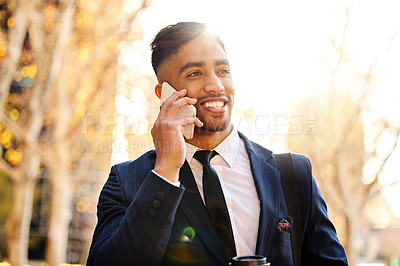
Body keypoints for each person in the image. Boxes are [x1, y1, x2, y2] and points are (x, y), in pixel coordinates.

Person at [87, 22, 348, 266]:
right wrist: (165, 170)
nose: (215, 85)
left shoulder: (293, 174)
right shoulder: (126, 181)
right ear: (164, 93)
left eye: (223, 71)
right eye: (195, 73)